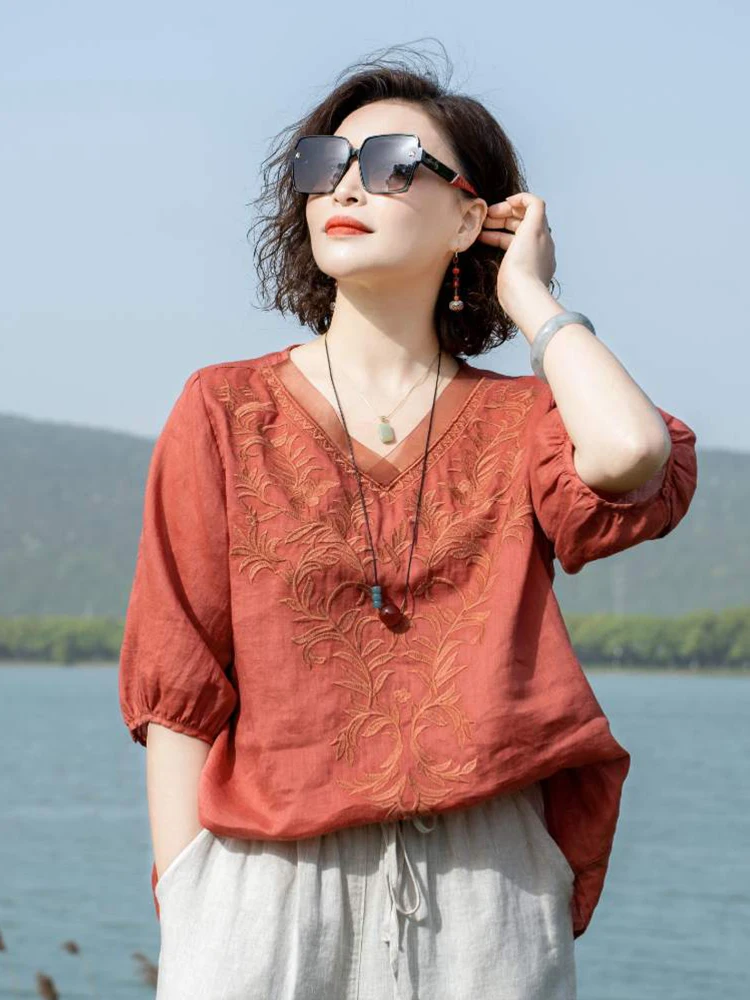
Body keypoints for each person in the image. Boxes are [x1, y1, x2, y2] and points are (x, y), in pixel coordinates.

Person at [119, 43, 698, 1000]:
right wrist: (190, 901)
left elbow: (633, 454)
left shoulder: (524, 421)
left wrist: (534, 297)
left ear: (471, 216)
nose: (345, 186)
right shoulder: (224, 411)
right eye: (322, 164)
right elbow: (178, 683)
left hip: (485, 888)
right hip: (265, 888)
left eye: (392, 164)